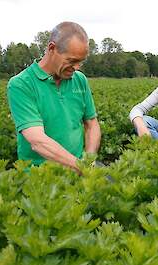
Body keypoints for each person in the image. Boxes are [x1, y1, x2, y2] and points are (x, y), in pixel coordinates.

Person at [7, 22, 101, 175]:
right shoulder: (21, 84)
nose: (77, 68)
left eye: (80, 62)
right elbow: (37, 141)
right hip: (40, 178)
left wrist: (89, 159)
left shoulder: (80, 80)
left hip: (78, 170)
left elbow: (91, 123)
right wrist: (81, 167)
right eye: (71, 61)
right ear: (52, 48)